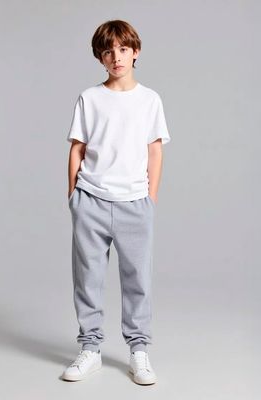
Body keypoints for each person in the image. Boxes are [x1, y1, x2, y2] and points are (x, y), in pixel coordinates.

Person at [62, 19, 171, 385]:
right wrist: (74, 195)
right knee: (87, 278)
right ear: (100, 57)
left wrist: (150, 199)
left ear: (135, 52)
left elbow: (155, 151)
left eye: (123, 49)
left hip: (135, 203)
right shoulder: (89, 98)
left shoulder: (150, 100)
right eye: (108, 51)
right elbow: (77, 148)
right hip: (91, 200)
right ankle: (90, 349)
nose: (116, 57)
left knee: (138, 279)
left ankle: (139, 351)